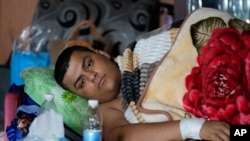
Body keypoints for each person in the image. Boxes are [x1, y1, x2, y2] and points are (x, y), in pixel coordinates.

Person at [54, 43, 230, 141]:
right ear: (81, 95)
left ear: (101, 53)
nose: (92, 76)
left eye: (89, 64)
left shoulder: (143, 49)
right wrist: (195, 128)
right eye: (82, 82)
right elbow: (122, 136)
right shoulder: (105, 111)